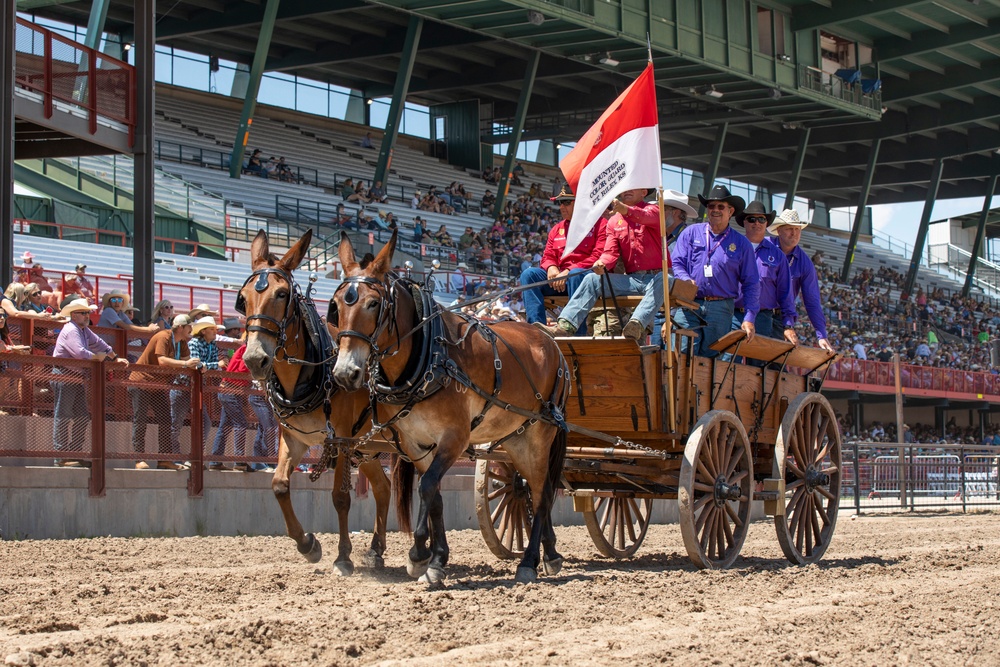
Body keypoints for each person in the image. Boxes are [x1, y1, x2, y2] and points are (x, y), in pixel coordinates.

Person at [537, 188, 694, 342]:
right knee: (592, 279)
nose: (627, 191)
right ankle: (564, 326)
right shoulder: (614, 221)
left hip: (656, 278)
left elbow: (644, 216)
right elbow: (610, 253)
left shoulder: (655, 211)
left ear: (644, 192)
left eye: (633, 188)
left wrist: (625, 210)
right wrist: (602, 263)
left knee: (664, 278)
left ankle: (636, 324)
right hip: (632, 280)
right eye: (624, 188)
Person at [672, 185, 760, 358]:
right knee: (681, 353)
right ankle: (680, 385)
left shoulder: (741, 244)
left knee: (712, 358)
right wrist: (684, 278)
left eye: (721, 206)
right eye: (711, 206)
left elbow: (751, 282)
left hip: (721, 307)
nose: (715, 210)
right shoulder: (691, 233)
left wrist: (749, 317)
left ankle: (701, 387)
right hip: (689, 302)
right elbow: (677, 262)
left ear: (731, 211)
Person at [519, 185, 609, 332]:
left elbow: (598, 256)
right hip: (560, 280)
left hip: (582, 278)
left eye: (567, 202)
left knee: (576, 275)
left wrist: (569, 270)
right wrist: (551, 267)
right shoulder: (556, 229)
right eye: (559, 203)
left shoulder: (600, 224)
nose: (561, 207)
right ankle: (536, 329)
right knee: (529, 275)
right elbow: (548, 255)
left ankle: (576, 332)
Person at [51, 299, 129, 467]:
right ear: (73, 315)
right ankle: (61, 456)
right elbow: (80, 352)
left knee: (81, 416)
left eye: (87, 313)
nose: (87, 316)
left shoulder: (83, 329)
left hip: (74, 375)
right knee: (64, 414)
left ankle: (72, 453)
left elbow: (99, 343)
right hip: (64, 374)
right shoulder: (71, 329)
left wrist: (113, 356)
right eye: (83, 313)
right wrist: (97, 357)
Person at [130, 314, 203, 470]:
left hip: (157, 385)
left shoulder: (182, 342)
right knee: (140, 420)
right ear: (181, 327)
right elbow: (162, 360)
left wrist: (197, 365)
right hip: (141, 382)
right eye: (190, 327)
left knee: (165, 419)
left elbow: (187, 361)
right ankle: (139, 459)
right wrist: (185, 364)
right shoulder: (164, 336)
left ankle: (164, 459)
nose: (192, 329)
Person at [767, 209, 835, 352]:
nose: (794, 233)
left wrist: (821, 335)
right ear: (779, 231)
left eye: (797, 229)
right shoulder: (764, 247)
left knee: (776, 363)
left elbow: (812, 300)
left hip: (782, 318)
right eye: (789, 229)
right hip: (758, 312)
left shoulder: (804, 262)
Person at [732, 201, 797, 346]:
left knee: (757, 364)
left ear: (767, 223)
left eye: (761, 219)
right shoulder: (732, 248)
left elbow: (785, 293)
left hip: (762, 317)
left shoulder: (778, 256)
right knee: (727, 360)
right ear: (744, 222)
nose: (757, 223)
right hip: (732, 313)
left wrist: (788, 325)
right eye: (752, 219)